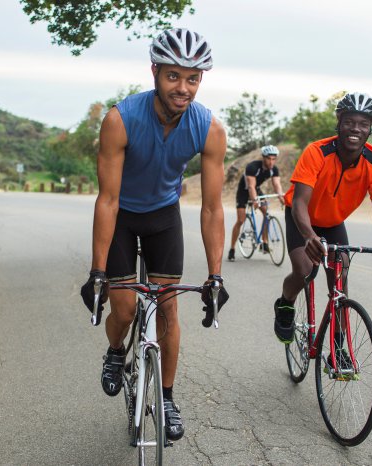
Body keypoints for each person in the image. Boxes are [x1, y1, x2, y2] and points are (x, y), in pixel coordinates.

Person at [79, 28, 229, 442]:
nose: (183, 88)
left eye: (193, 78)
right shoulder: (120, 119)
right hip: (123, 215)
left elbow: (214, 207)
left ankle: (166, 398)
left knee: (167, 309)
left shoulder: (210, 128)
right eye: (173, 76)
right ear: (155, 72)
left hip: (164, 216)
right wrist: (97, 272)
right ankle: (114, 352)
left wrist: (216, 275)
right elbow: (107, 200)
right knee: (125, 310)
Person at [274, 91, 372, 346]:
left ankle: (339, 346)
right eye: (349, 122)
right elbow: (300, 202)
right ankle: (285, 303)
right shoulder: (317, 152)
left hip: (333, 221)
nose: (355, 129)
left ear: (371, 129)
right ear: (339, 122)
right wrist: (310, 237)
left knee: (340, 275)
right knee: (305, 270)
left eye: (363, 124)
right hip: (301, 218)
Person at [227, 145, 284, 261]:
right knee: (241, 220)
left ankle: (264, 242)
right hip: (244, 191)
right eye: (269, 158)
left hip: (256, 189)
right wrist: (255, 200)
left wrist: (281, 197)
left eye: (274, 159)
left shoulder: (274, 169)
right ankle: (232, 249)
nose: (271, 162)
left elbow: (277, 185)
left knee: (266, 213)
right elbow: (251, 187)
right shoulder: (252, 167)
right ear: (263, 158)